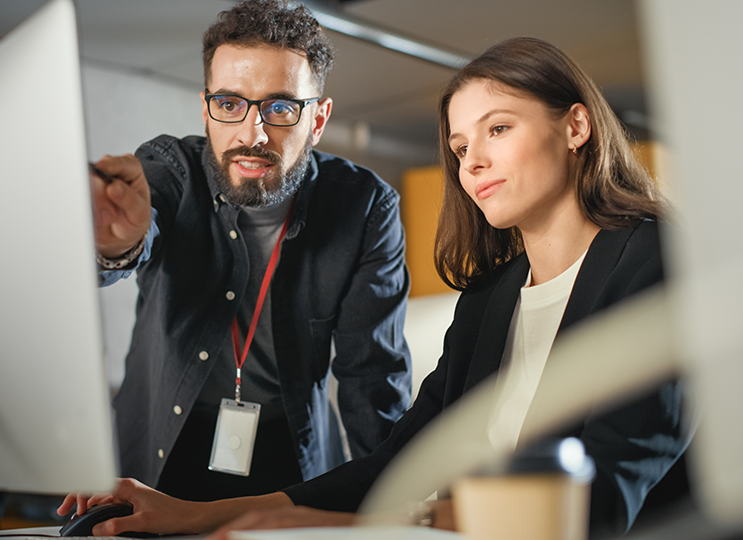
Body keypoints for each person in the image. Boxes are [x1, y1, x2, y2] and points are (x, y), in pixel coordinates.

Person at [59, 37, 690, 539]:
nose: (471, 162)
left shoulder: (661, 262)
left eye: (498, 130)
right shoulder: (491, 298)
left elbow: (604, 497)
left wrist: (349, 526)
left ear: (576, 126)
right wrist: (191, 514)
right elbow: (402, 459)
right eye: (460, 143)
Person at [83, 0, 412, 503]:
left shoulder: (365, 208)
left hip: (290, 454)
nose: (252, 134)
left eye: (280, 107)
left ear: (318, 120)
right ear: (206, 109)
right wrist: (114, 244)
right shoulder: (170, 170)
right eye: (231, 104)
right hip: (161, 448)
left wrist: (396, 504)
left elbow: (373, 376)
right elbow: (136, 236)